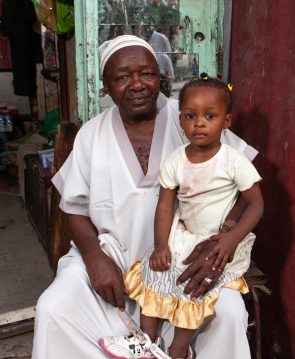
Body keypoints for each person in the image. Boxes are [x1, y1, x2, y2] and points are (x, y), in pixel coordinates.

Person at [32, 35, 259, 359]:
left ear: (160, 76)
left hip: (187, 260)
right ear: (106, 86)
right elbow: (76, 208)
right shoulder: (91, 135)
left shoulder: (191, 118)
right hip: (111, 257)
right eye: (123, 76)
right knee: (53, 308)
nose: (137, 84)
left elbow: (245, 185)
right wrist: (95, 259)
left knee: (229, 312)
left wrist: (224, 238)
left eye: (147, 73)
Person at [99, 74, 264, 359]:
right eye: (190, 116)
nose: (198, 123)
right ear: (180, 121)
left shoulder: (234, 161)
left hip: (219, 241)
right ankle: (147, 340)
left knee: (192, 287)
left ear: (226, 122)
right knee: (153, 270)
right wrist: (161, 244)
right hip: (183, 233)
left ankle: (178, 350)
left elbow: (256, 205)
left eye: (209, 116)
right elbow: (164, 206)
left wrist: (230, 240)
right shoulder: (177, 159)